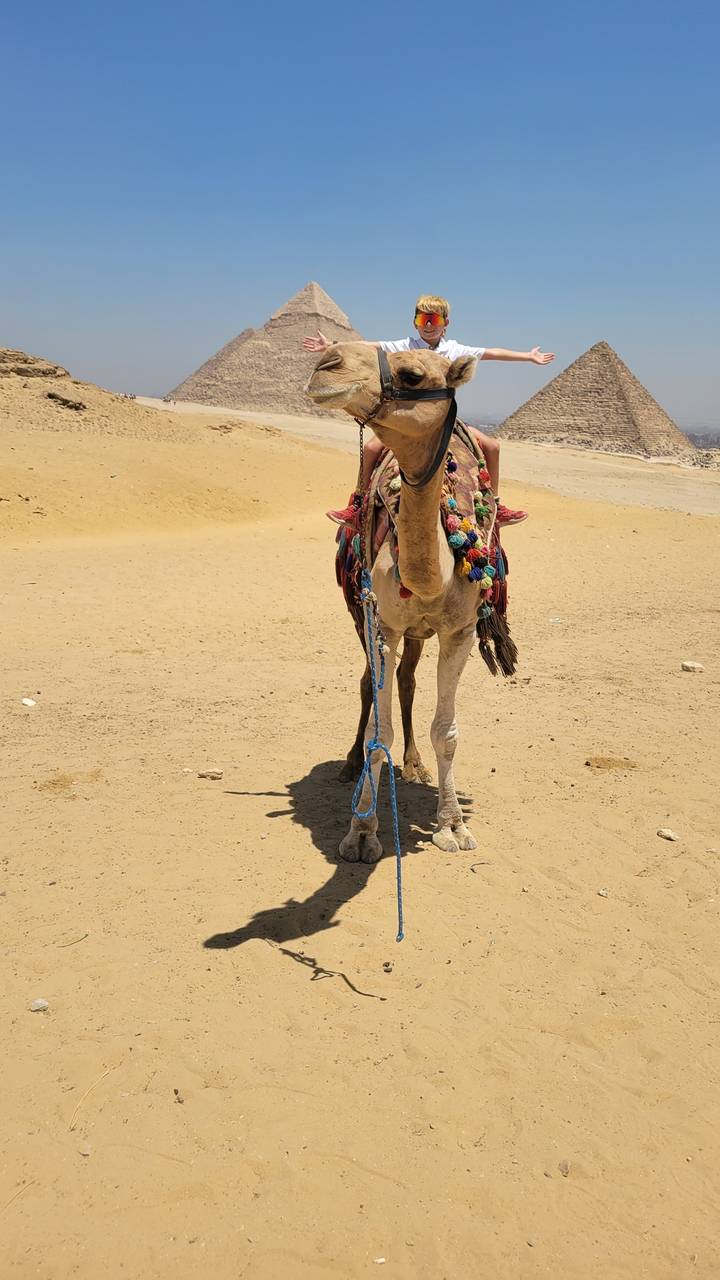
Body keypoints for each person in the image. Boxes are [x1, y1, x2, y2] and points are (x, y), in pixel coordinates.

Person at [303, 294, 555, 527]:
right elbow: (369, 347)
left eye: (434, 319)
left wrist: (527, 356)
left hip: (445, 419)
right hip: (412, 418)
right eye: (423, 319)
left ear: (446, 323)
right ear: (415, 322)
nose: (429, 325)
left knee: (492, 447)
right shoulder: (405, 345)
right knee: (371, 449)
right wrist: (332, 345)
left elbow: (492, 353)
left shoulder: (455, 349)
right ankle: (358, 505)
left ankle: (496, 506)